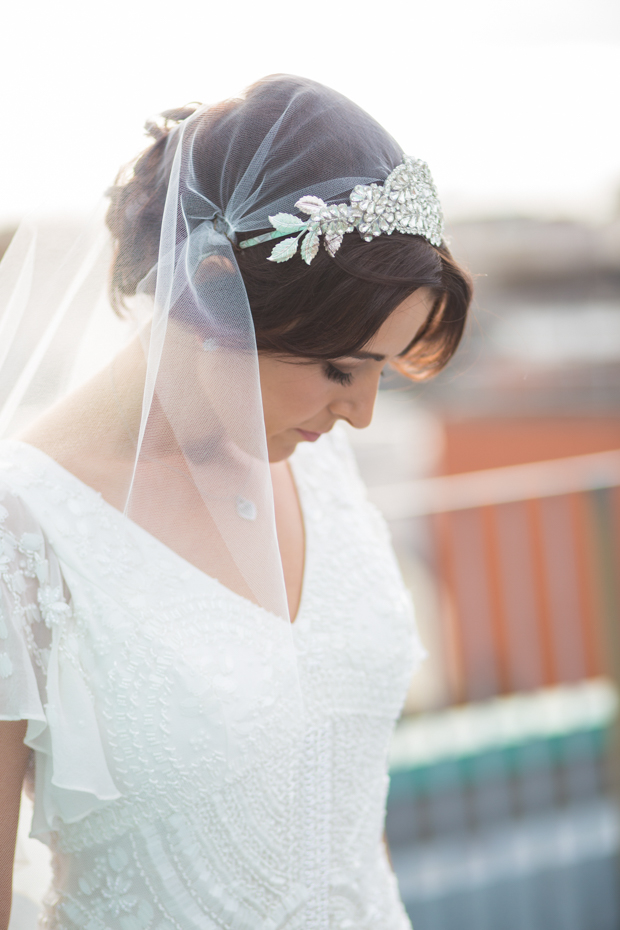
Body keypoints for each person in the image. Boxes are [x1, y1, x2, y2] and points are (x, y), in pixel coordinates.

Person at [0, 74, 472, 930]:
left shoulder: (314, 456)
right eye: (339, 367)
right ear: (213, 287)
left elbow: (341, 802)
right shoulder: (20, 528)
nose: (361, 414)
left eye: (381, 371)